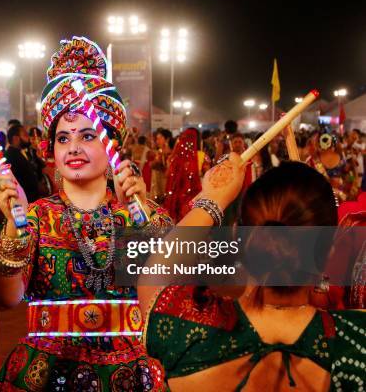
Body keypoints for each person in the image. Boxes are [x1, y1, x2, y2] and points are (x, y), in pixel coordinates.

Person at [0, 36, 172, 391]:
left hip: (128, 371)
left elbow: (170, 288)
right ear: (51, 148)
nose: (73, 147)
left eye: (88, 135)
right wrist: (14, 228)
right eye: (63, 138)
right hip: (46, 370)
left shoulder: (134, 215)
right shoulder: (37, 216)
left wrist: (141, 216)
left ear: (112, 145)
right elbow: (7, 298)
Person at [139, 160, 365, 391]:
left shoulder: (187, 324)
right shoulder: (355, 342)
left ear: (239, 234)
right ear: (328, 254)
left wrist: (214, 198)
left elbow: (154, 276)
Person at [5, 124, 40, 202]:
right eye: (25, 134)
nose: (28, 137)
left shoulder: (20, 152)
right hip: (25, 201)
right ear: (16, 139)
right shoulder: (12, 156)